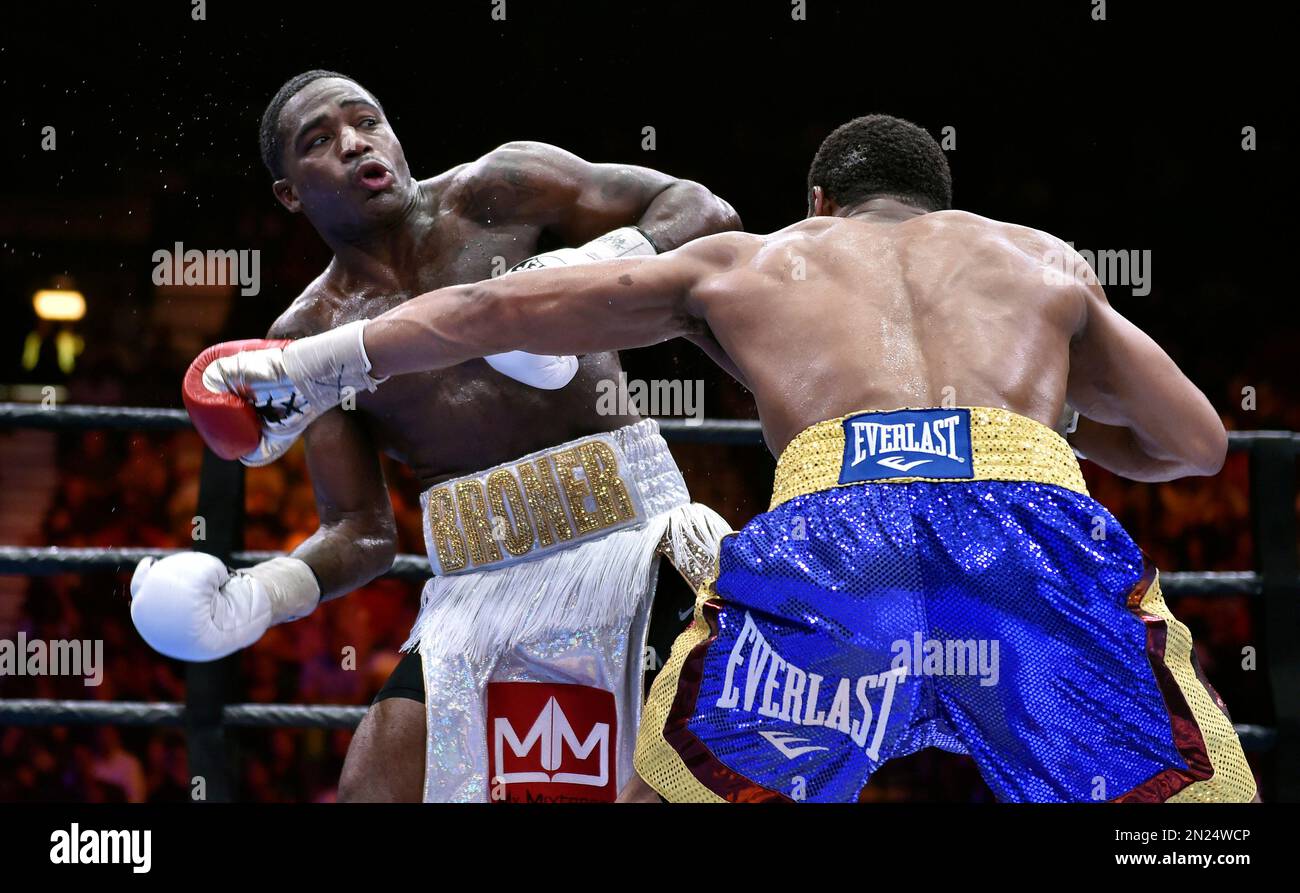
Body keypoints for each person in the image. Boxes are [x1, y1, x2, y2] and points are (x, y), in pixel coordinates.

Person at [194, 114, 1258, 803]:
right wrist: (1041, 419)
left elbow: (481, 309)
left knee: (690, 791)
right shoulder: (1037, 258)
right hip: (1024, 517)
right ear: (940, 204)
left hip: (843, 536)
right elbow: (1195, 443)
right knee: (1177, 810)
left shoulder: (762, 261)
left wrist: (316, 363)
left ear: (819, 205)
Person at [130, 69, 739, 803]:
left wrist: (567, 274)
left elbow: (702, 209)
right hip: (474, 587)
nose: (356, 144)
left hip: (634, 538)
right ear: (290, 192)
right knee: (372, 789)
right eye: (320, 141)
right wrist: (258, 596)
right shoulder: (305, 334)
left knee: (673, 779)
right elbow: (361, 530)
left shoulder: (500, 189)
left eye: (367, 122)